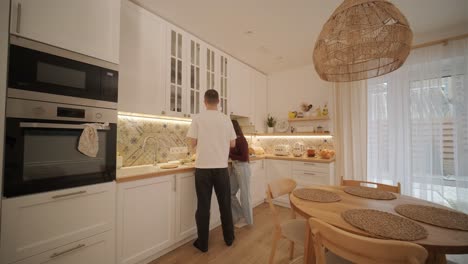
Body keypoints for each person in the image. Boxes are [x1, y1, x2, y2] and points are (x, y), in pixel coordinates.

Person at [186, 89, 236, 253]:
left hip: (203, 169)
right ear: (218, 101)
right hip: (221, 168)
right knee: (225, 205)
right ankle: (229, 239)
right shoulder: (226, 119)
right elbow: (232, 144)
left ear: (204, 101)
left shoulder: (198, 118)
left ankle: (203, 244)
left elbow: (192, 143)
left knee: (203, 207)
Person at [229, 120, 253, 228]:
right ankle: (241, 215)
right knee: (229, 192)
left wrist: (231, 155)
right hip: (235, 167)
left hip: (242, 167)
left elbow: (244, 157)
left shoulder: (241, 140)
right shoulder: (232, 140)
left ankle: (248, 221)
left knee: (245, 195)